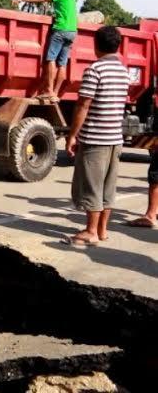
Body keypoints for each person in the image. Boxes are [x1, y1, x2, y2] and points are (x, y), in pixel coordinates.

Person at [65, 26, 130, 246]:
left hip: (95, 139)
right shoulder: (123, 71)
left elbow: (83, 105)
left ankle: (91, 231)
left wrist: (72, 135)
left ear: (96, 45)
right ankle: (102, 230)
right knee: (108, 187)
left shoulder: (94, 70)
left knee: (92, 185)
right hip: (115, 138)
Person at [13, 0, 77, 102]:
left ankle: (49, 91)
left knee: (50, 59)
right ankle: (55, 93)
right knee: (62, 64)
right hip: (72, 32)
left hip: (60, 30)